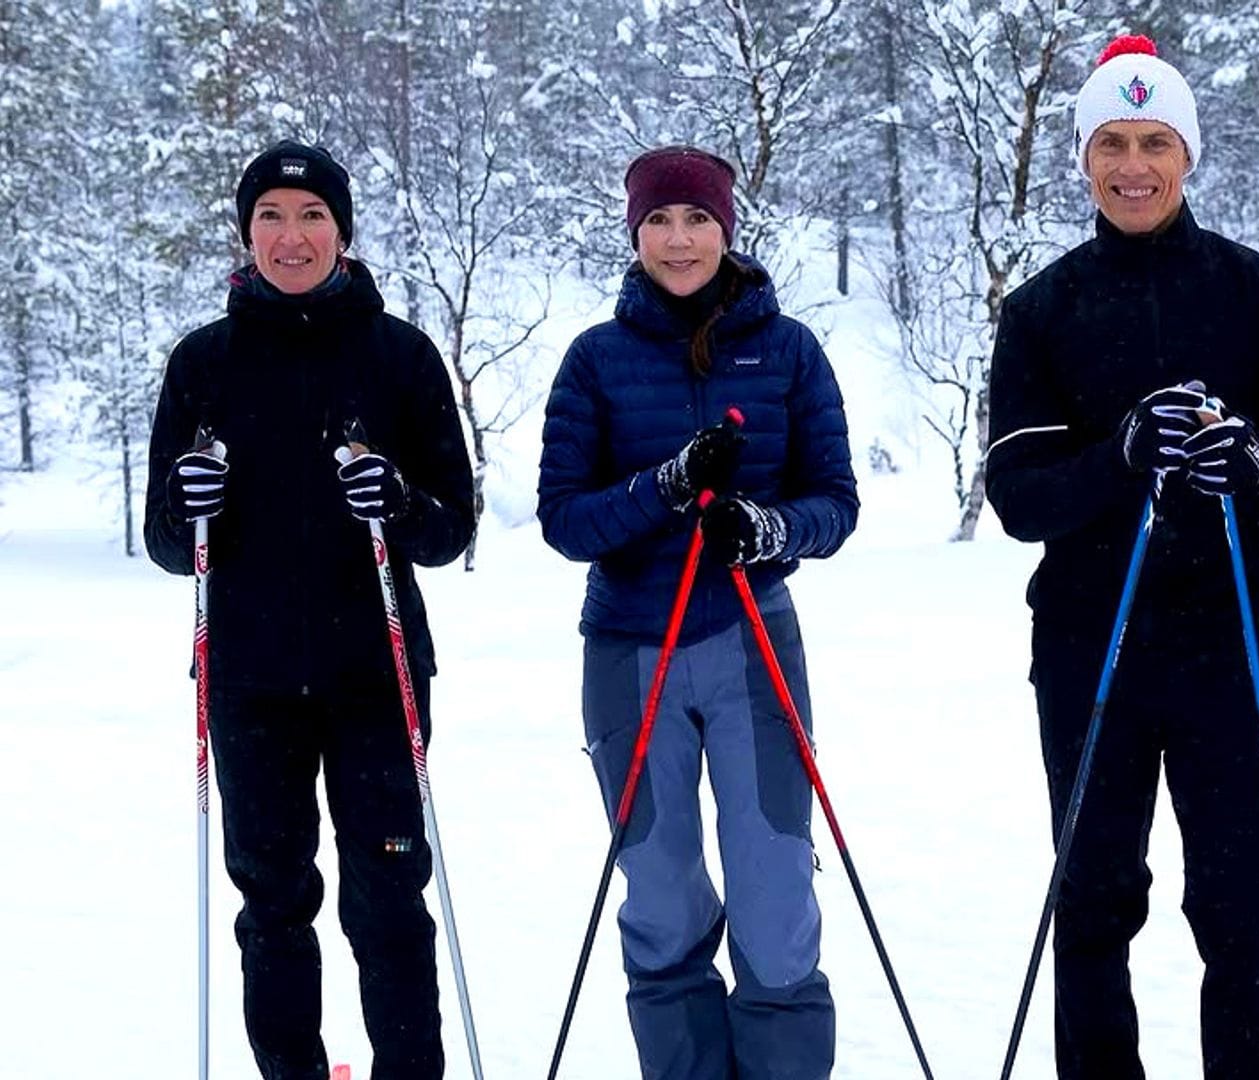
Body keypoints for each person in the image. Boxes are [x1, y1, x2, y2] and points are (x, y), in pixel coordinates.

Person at [983, 35, 1259, 1080]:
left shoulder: (1258, 292)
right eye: (1112, 142)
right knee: (1095, 902)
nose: (1134, 165)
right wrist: (1119, 457)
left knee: (1243, 910)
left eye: (1155, 141)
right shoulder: (1042, 310)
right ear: (1086, 158)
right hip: (1087, 645)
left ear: (1188, 156)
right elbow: (1017, 498)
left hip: (1226, 642)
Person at [144, 139, 476, 1079]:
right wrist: (187, 499)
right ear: (247, 235)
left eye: (312, 216)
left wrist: (400, 504)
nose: (292, 237)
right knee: (274, 900)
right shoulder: (203, 362)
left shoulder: (399, 355)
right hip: (248, 680)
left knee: (387, 892)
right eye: (271, 218)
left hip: (376, 675)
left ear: (342, 229)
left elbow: (451, 528)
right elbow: (170, 544)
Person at [536, 145, 857, 1080]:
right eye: (660, 222)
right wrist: (666, 487)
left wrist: (765, 529)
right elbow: (565, 518)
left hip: (752, 641)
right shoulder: (597, 359)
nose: (679, 240)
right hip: (632, 649)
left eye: (698, 220)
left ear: (727, 227)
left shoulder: (788, 348)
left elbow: (833, 502)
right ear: (635, 234)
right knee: (662, 891)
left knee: (774, 892)